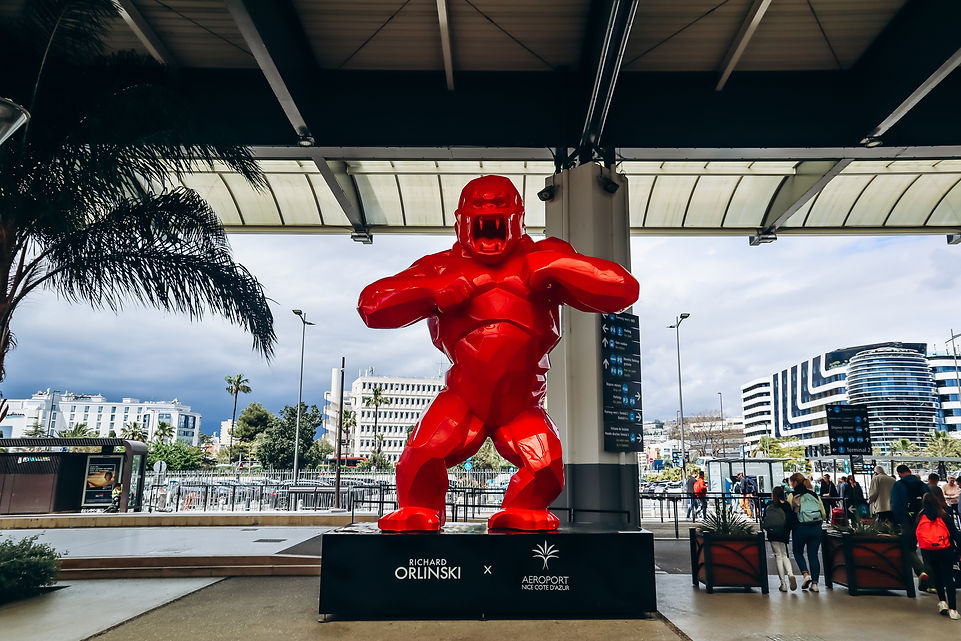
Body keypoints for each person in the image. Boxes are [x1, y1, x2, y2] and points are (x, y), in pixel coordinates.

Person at [916, 488, 961, 619]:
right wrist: (958, 551)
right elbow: (956, 535)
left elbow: (915, 535)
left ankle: (942, 602)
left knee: (937, 577)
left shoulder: (920, 516)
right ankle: (953, 610)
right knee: (949, 578)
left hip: (929, 552)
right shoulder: (944, 515)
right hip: (945, 550)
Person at [891, 464, 932, 591]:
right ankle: (932, 583)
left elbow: (896, 505)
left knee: (909, 548)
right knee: (927, 550)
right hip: (925, 521)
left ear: (899, 473)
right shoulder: (922, 484)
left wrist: (899, 521)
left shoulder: (898, 485)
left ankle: (921, 572)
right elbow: (931, 501)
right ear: (910, 472)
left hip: (907, 522)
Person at [789, 472, 825, 592]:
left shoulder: (793, 495)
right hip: (816, 528)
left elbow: (789, 512)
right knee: (813, 555)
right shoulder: (814, 495)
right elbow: (823, 513)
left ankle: (806, 575)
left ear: (794, 482)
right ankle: (815, 584)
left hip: (800, 528)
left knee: (797, 552)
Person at [763, 486, 797, 592]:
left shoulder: (769, 504)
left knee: (778, 556)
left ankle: (783, 584)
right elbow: (791, 520)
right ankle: (790, 573)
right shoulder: (786, 505)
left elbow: (765, 519)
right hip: (784, 533)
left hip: (773, 533)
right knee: (784, 555)